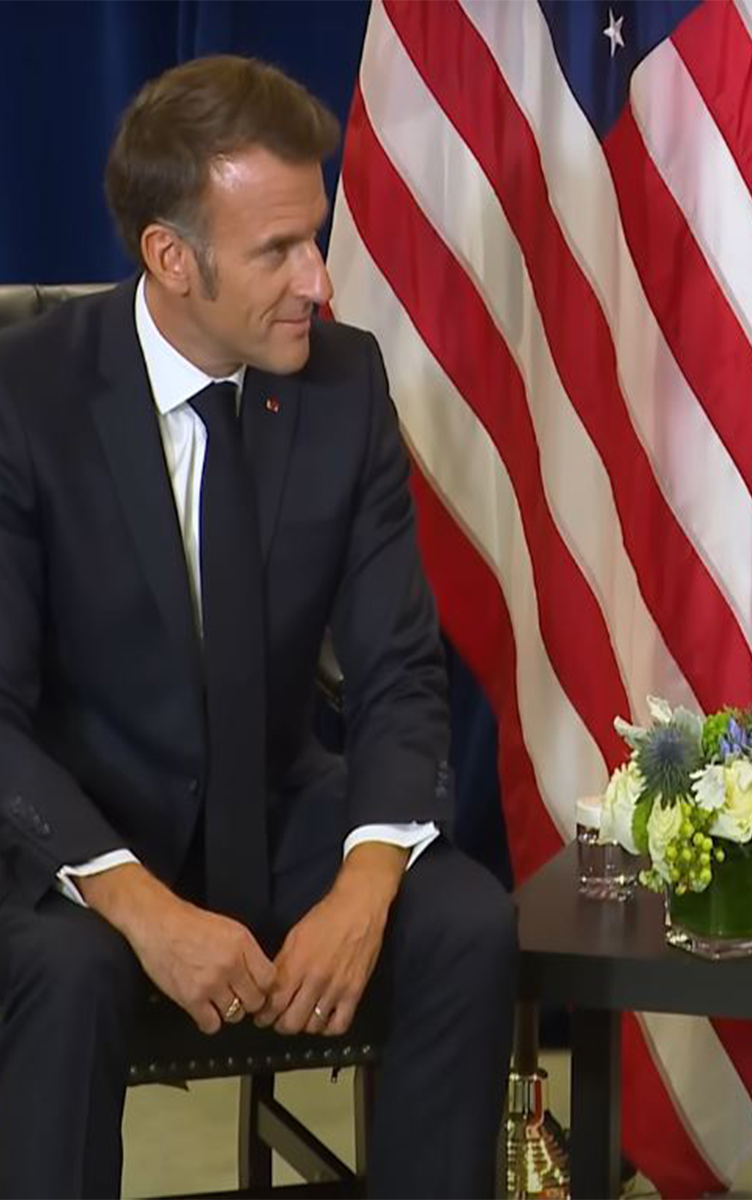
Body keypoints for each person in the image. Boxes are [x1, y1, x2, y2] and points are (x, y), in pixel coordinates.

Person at [0, 56, 516, 1197]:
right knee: (67, 972)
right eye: (278, 250)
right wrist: (141, 905)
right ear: (171, 258)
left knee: (464, 924)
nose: (318, 281)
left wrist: (366, 884)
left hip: (268, 810)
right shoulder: (24, 397)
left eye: (313, 238)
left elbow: (399, 672)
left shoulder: (344, 384)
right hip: (66, 843)